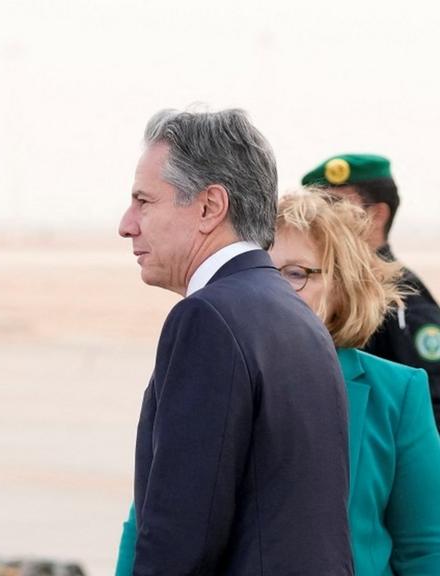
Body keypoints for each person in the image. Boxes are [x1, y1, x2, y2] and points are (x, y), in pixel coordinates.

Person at [116, 189, 440, 575]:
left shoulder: (396, 394)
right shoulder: (202, 376)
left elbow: (425, 549)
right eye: (263, 272)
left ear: (341, 286)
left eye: (295, 274)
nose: (273, 290)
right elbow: (150, 527)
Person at [117, 109, 352, 574]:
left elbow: (183, 534)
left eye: (144, 201)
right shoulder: (294, 314)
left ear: (209, 207)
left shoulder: (209, 317)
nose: (127, 224)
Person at [303, 154, 440, 429]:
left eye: (335, 206)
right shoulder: (331, 287)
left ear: (377, 215)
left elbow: (430, 404)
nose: (323, 218)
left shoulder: (400, 298)